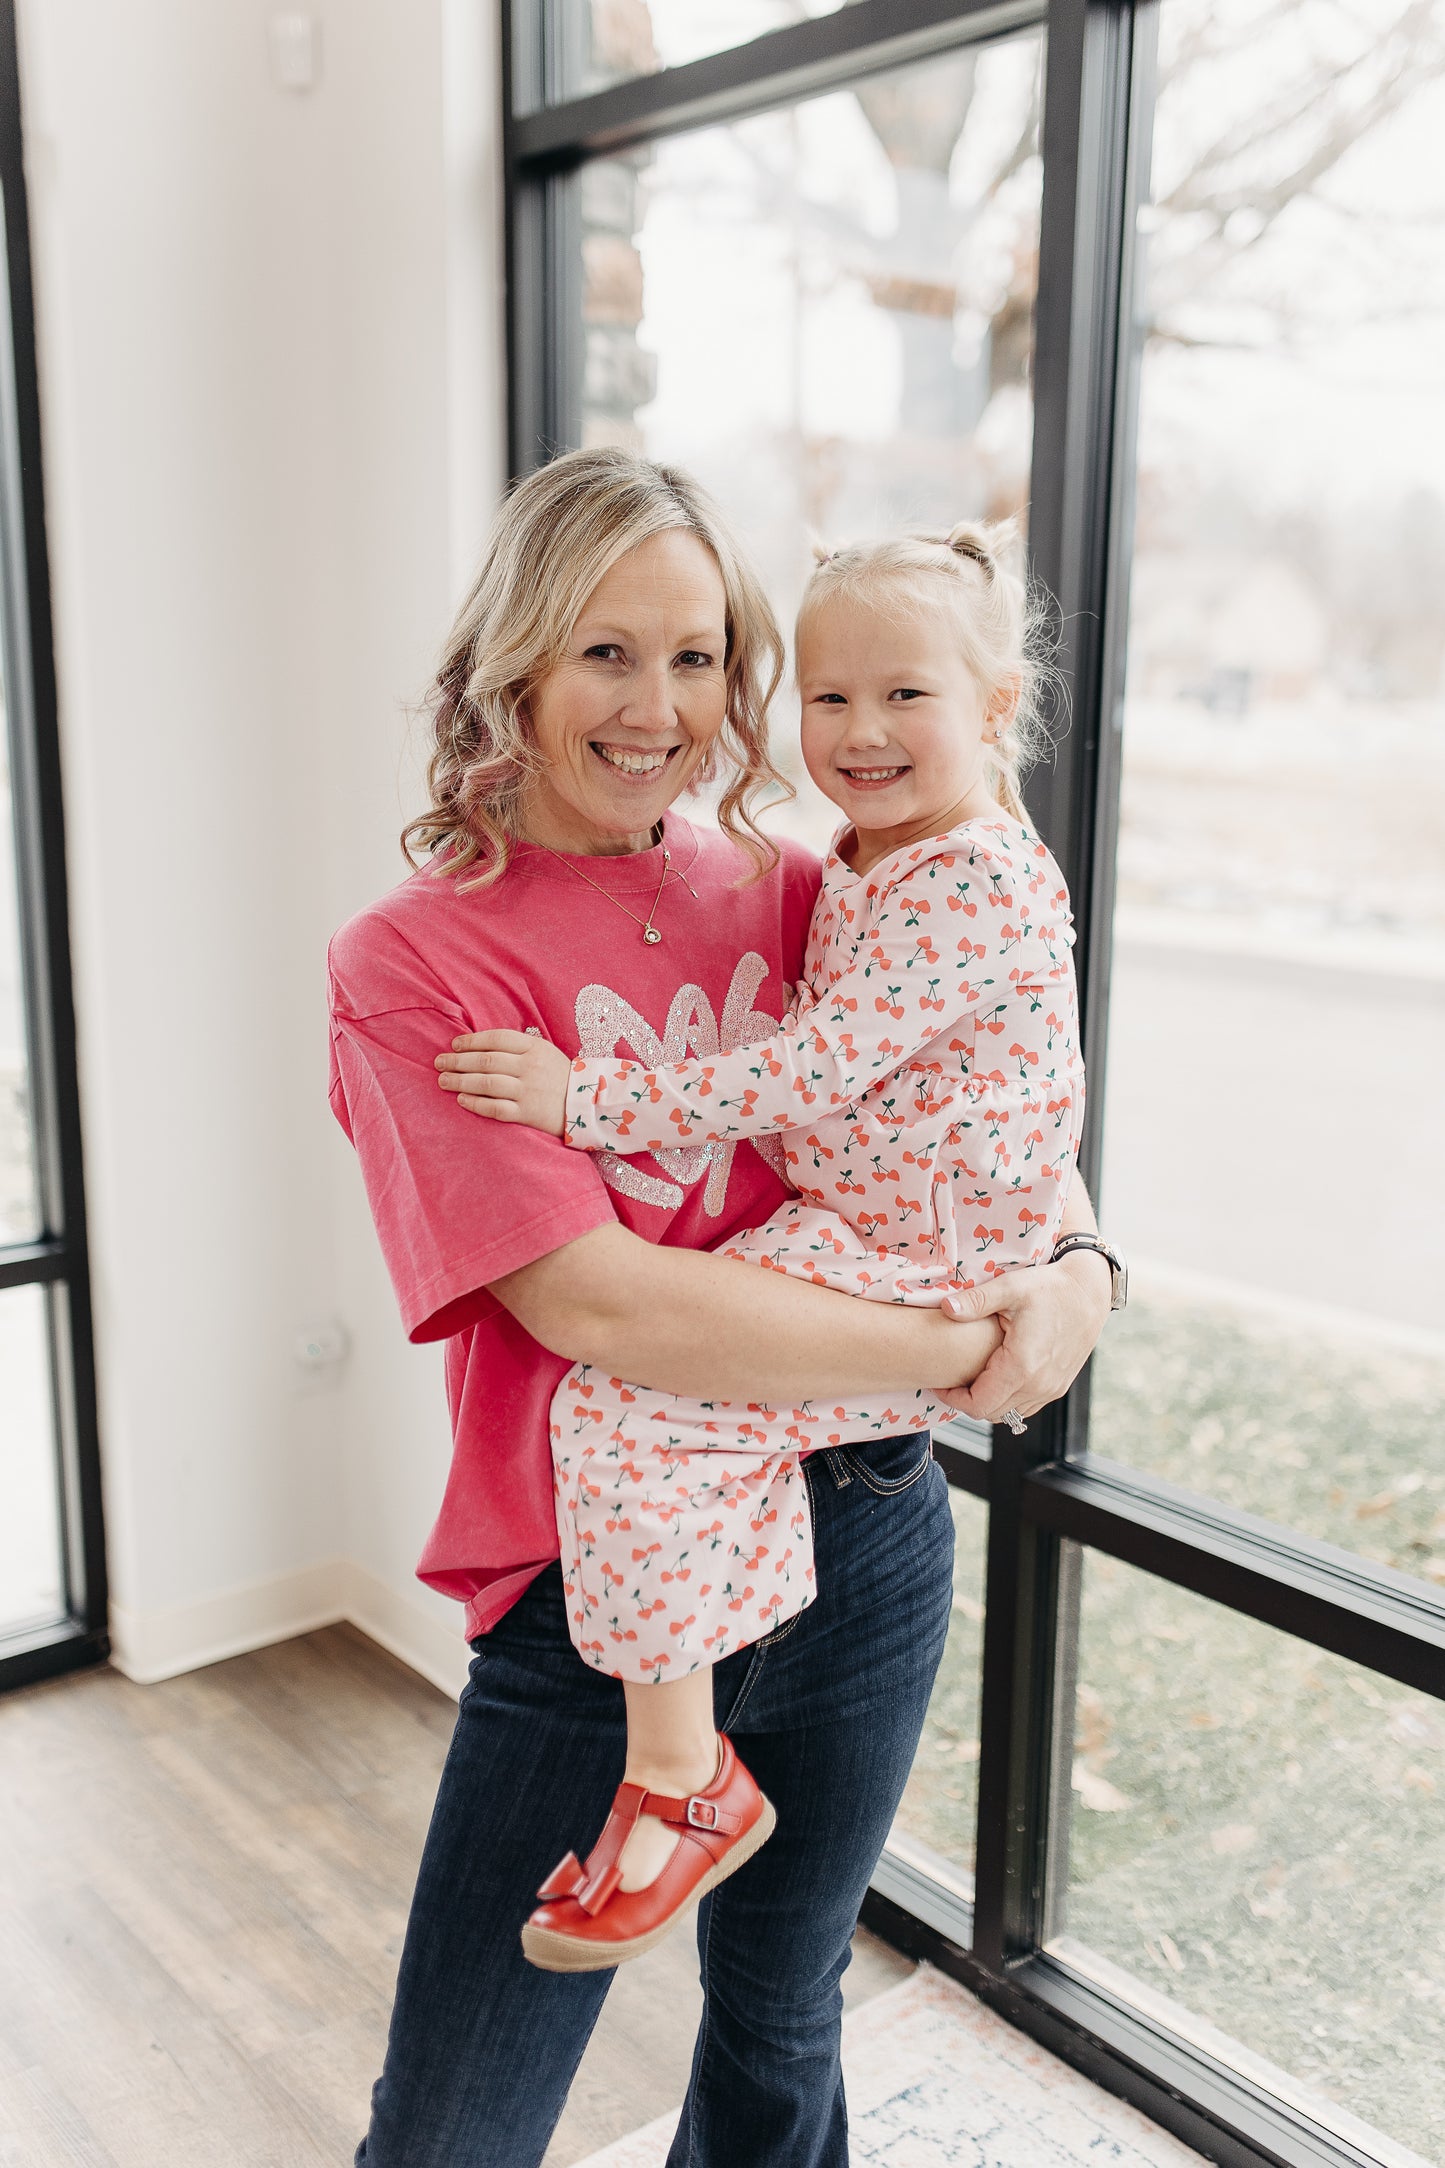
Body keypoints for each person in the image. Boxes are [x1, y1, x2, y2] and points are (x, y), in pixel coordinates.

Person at [328, 447, 1113, 2167]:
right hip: (592, 1592)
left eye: (698, 659)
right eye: (607, 652)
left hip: (866, 1528)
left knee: (783, 2003)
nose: (656, 706)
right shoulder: (418, 962)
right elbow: (609, 1313)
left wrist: (1080, 1264)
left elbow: (972, 1099)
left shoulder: (790, 880)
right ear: (514, 661)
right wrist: (966, 1353)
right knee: (461, 2106)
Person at [438, 519, 1085, 1976]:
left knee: (621, 1418)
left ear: (989, 710)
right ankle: (684, 1769)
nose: (856, 731)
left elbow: (817, 1067)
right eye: (827, 694)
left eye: (903, 696)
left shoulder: (957, 875)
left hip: (907, 1257)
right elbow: (592, 1292)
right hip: (869, 1250)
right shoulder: (852, 859)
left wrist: (584, 1097)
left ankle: (679, 1781)